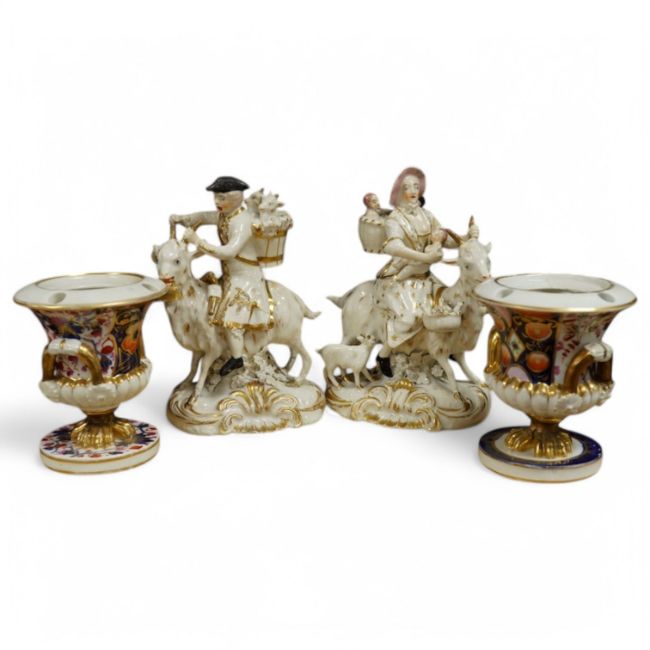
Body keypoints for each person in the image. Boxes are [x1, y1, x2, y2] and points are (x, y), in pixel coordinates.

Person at [170, 176, 272, 376]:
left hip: (246, 278)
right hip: (230, 276)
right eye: (216, 197)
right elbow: (202, 217)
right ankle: (217, 344)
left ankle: (237, 359)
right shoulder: (225, 216)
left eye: (222, 198)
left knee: (231, 319)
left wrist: (198, 241)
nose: (217, 202)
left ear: (235, 198)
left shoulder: (242, 222)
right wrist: (181, 218)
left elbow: (228, 252)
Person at [373, 167, 461, 377]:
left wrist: (464, 238)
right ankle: (384, 355)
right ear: (398, 191)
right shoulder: (395, 219)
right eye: (407, 187)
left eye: (416, 186)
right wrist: (424, 258)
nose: (412, 191)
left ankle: (443, 349)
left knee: (451, 304)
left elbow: (443, 238)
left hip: (425, 277)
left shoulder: (426, 215)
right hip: (401, 276)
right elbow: (392, 246)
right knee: (409, 318)